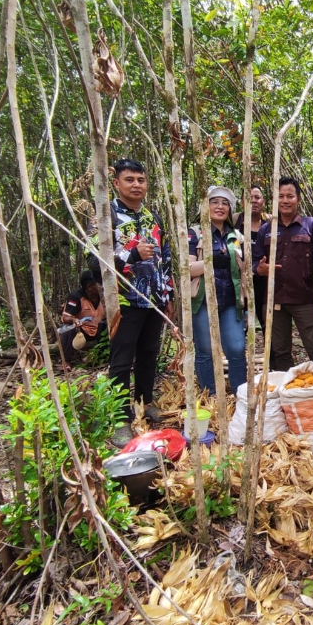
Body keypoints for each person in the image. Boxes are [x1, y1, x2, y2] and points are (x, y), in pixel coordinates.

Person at [88, 158, 173, 443]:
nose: (136, 185)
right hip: (123, 301)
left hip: (154, 300)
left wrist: (168, 294)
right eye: (129, 180)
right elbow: (93, 262)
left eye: (141, 180)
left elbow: (166, 258)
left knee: (149, 355)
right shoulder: (106, 217)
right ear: (115, 183)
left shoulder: (154, 217)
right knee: (122, 361)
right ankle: (120, 418)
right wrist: (133, 255)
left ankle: (144, 403)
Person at [254, 176, 313, 371]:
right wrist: (258, 269)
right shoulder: (266, 230)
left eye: (290, 196)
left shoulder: (312, 226)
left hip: (303, 298)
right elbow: (255, 262)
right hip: (274, 299)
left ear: (299, 199)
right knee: (279, 351)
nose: (285, 200)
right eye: (280, 196)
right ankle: (286, 394)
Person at [188, 186, 248, 395]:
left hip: (231, 301)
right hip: (202, 301)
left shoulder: (236, 235)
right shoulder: (195, 233)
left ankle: (241, 394)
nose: (220, 207)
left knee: (237, 349)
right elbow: (186, 269)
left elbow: (244, 269)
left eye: (225, 203)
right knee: (205, 351)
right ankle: (209, 395)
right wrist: (211, 262)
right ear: (206, 206)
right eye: (215, 202)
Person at [235, 185, 271, 335]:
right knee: (239, 325)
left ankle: (272, 358)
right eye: (249, 198)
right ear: (242, 202)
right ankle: (238, 357)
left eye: (257, 197)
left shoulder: (271, 223)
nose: (254, 201)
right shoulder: (234, 221)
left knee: (268, 323)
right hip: (239, 280)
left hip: (265, 281)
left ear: (263, 201)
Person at [60, 271, 106, 361]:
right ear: (89, 287)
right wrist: (75, 320)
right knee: (67, 329)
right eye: (99, 284)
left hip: (98, 329)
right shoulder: (76, 297)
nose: (102, 286)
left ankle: (101, 356)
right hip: (81, 330)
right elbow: (65, 317)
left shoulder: (103, 296)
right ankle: (65, 360)